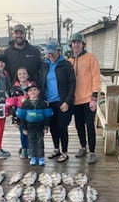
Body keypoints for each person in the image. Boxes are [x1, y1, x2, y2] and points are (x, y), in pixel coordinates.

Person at [40, 39, 76, 163]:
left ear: (58, 51)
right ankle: (56, 149)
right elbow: (41, 83)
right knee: (53, 127)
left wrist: (67, 101)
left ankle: (65, 152)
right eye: (48, 53)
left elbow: (72, 84)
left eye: (53, 53)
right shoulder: (44, 65)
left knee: (62, 127)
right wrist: (43, 99)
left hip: (62, 102)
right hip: (49, 102)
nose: (51, 55)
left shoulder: (66, 64)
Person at [68, 32, 101, 164]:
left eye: (78, 42)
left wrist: (94, 97)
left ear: (83, 44)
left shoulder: (91, 57)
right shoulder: (69, 61)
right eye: (74, 42)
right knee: (78, 125)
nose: (76, 44)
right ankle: (83, 147)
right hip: (75, 100)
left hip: (88, 99)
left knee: (90, 125)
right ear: (71, 44)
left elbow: (96, 77)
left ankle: (92, 152)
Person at [16, 81, 53, 166]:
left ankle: (41, 157)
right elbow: (22, 117)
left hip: (40, 127)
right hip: (29, 127)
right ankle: (33, 157)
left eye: (34, 90)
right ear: (27, 93)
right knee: (31, 142)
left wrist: (46, 127)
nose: (32, 92)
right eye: (30, 90)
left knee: (40, 142)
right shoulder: (25, 104)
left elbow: (47, 116)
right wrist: (24, 128)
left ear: (38, 91)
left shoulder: (43, 103)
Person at [6, 67, 30, 159]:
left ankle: (30, 148)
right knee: (22, 132)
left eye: (24, 73)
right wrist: (14, 119)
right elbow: (12, 106)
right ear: (17, 76)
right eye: (20, 74)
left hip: (31, 114)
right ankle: (24, 148)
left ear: (28, 75)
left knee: (31, 132)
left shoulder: (32, 87)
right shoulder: (14, 89)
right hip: (19, 115)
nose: (22, 76)